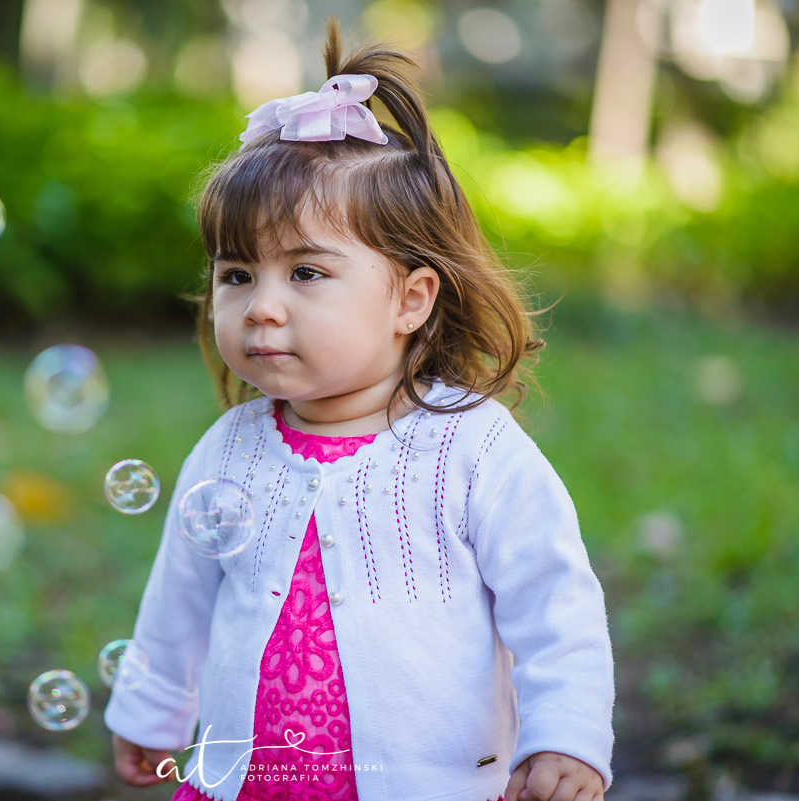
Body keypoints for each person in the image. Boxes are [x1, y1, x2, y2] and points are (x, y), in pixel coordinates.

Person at [104, 19, 615, 801]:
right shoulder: (230, 449)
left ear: (411, 298)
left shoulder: (469, 447)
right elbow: (179, 596)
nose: (261, 308)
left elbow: (554, 603)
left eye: (306, 272)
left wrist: (566, 737)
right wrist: (152, 708)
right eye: (237, 275)